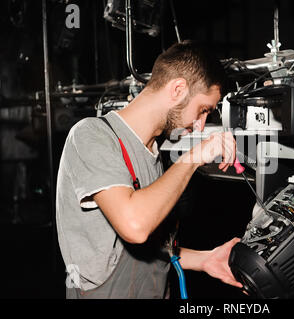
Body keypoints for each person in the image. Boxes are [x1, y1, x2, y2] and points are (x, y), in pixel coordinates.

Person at [56, 40, 243, 298]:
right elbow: (134, 226)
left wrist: (204, 259)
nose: (200, 126)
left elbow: (149, 250)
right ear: (178, 89)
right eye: (202, 110)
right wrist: (193, 157)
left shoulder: (154, 152)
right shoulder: (91, 135)